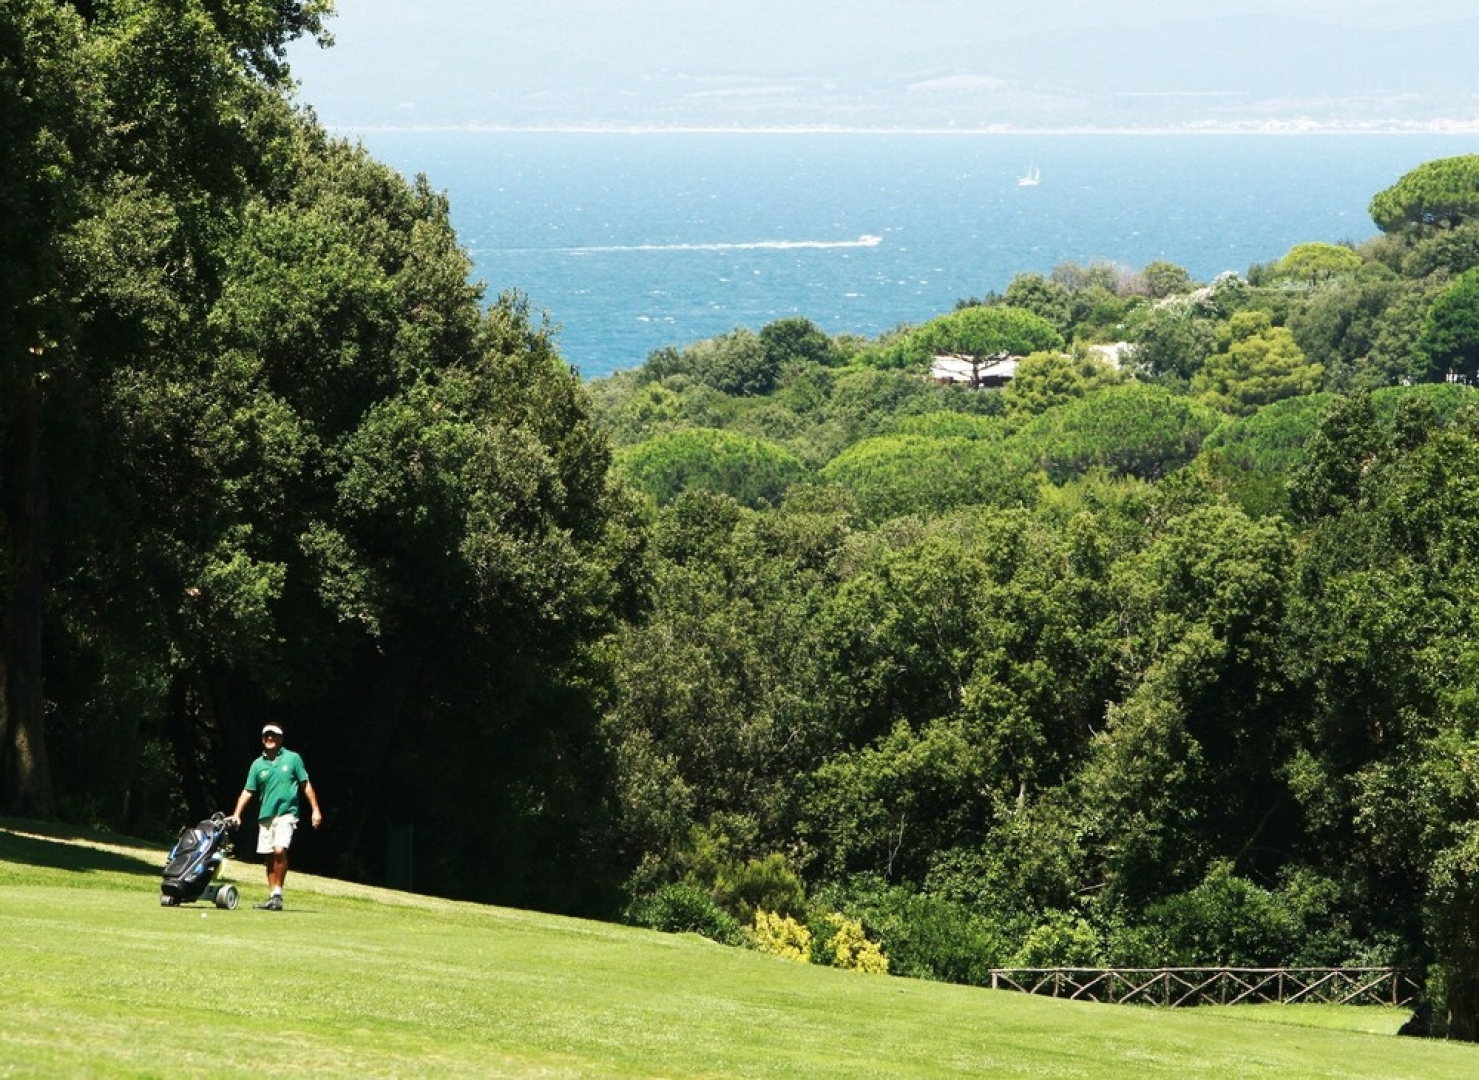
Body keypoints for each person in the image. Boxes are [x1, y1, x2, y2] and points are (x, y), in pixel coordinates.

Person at [227, 722, 323, 910]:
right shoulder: (257, 764)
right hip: (266, 816)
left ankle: (278, 893)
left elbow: (305, 784)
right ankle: (273, 897)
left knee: (279, 850)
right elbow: (248, 791)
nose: (270, 738)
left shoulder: (292, 758)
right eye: (267, 735)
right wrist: (237, 813)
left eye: (274, 735)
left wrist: (315, 809)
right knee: (269, 856)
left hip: (287, 813)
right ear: (263, 739)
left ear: (280, 739)